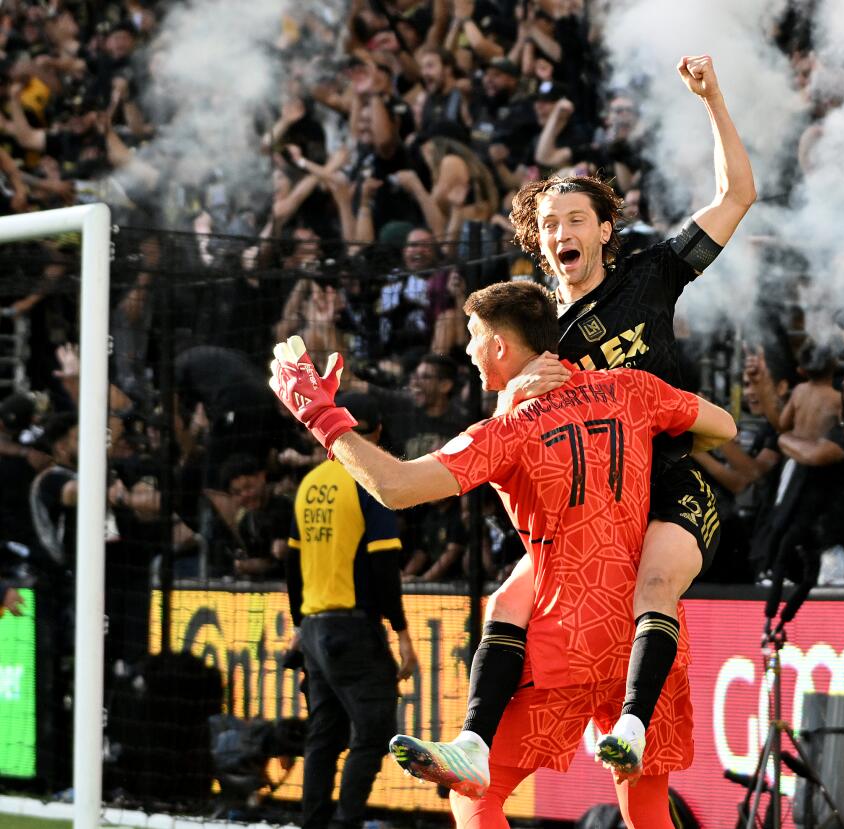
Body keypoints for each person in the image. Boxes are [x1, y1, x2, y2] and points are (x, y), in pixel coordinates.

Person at [268, 279, 737, 828]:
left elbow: (395, 486)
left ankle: (472, 740)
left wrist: (322, 418)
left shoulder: (508, 429)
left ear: (498, 346)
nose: (466, 350)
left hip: (569, 638)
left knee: (472, 795)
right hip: (645, 640)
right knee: (646, 804)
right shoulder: (631, 388)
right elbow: (723, 426)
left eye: (473, 337)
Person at [469, 52, 755, 782]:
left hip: (668, 483)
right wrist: (518, 391)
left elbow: (738, 194)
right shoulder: (539, 334)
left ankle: (629, 723)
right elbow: (504, 443)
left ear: (603, 231)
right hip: (589, 514)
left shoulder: (649, 276)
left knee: (654, 588)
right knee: (507, 596)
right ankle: (473, 741)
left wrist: (713, 98)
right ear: (539, 242)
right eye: (549, 223)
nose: (561, 231)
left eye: (576, 219)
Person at [285, 391, 418, 829]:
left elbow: (292, 565)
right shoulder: (368, 481)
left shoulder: (310, 484)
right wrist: (400, 633)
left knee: (324, 734)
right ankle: (347, 823)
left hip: (316, 631)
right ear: (377, 434)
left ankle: (314, 822)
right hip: (353, 629)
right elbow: (384, 566)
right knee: (376, 727)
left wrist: (300, 626)